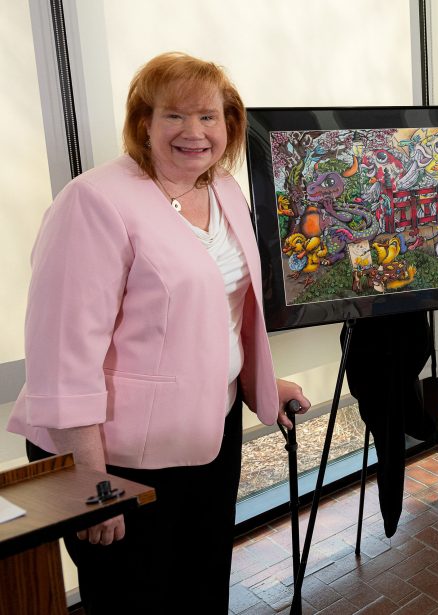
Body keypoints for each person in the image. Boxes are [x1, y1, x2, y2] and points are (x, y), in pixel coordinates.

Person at [6, 52, 310, 614]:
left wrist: (259, 385)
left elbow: (220, 314)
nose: (194, 132)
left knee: (200, 589)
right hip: (116, 457)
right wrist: (94, 488)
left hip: (207, 438)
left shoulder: (222, 190)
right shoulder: (95, 201)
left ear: (230, 126)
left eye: (209, 117)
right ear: (144, 123)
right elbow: (62, 355)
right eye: (175, 116)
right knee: (134, 601)